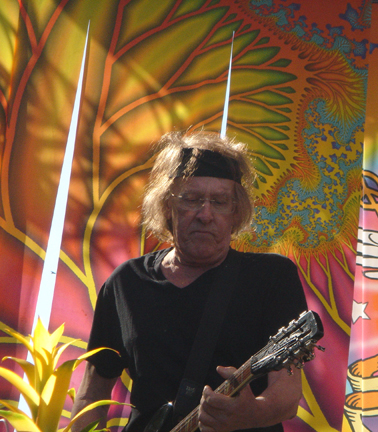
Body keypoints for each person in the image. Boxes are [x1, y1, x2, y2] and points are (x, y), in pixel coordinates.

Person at [70, 130, 308, 432]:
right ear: (167, 206)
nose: (205, 215)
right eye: (192, 199)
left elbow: (287, 394)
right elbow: (92, 394)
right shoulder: (126, 283)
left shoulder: (271, 277)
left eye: (219, 201)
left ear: (236, 211)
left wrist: (251, 414)